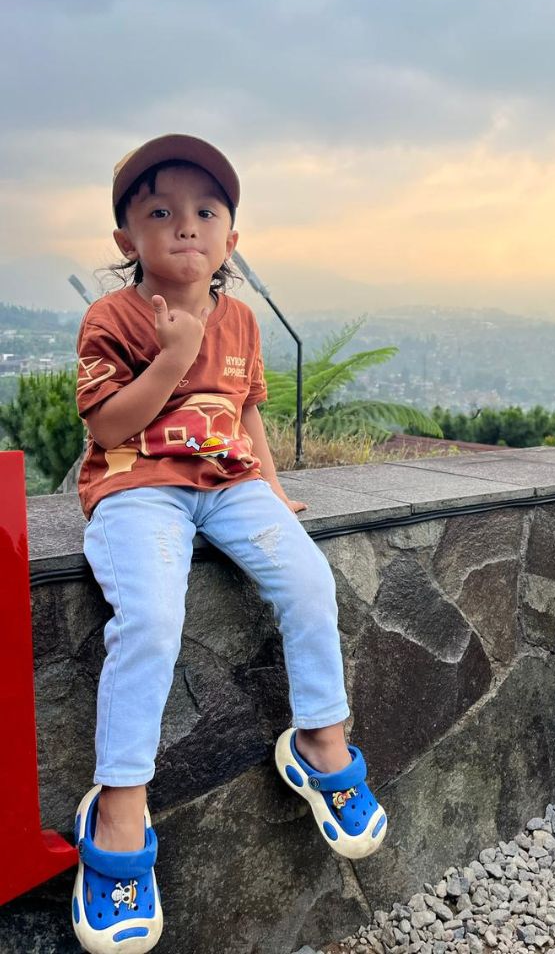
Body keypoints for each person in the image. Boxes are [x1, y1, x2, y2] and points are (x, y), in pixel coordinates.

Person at [71, 134, 386, 954]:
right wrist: (173, 356)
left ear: (231, 240)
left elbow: (245, 413)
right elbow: (106, 425)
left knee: (308, 580)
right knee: (151, 619)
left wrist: (272, 491)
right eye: (160, 211)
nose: (186, 225)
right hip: (138, 485)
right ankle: (119, 805)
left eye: (206, 211)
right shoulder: (111, 318)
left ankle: (320, 742)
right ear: (126, 238)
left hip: (231, 485)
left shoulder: (241, 318)